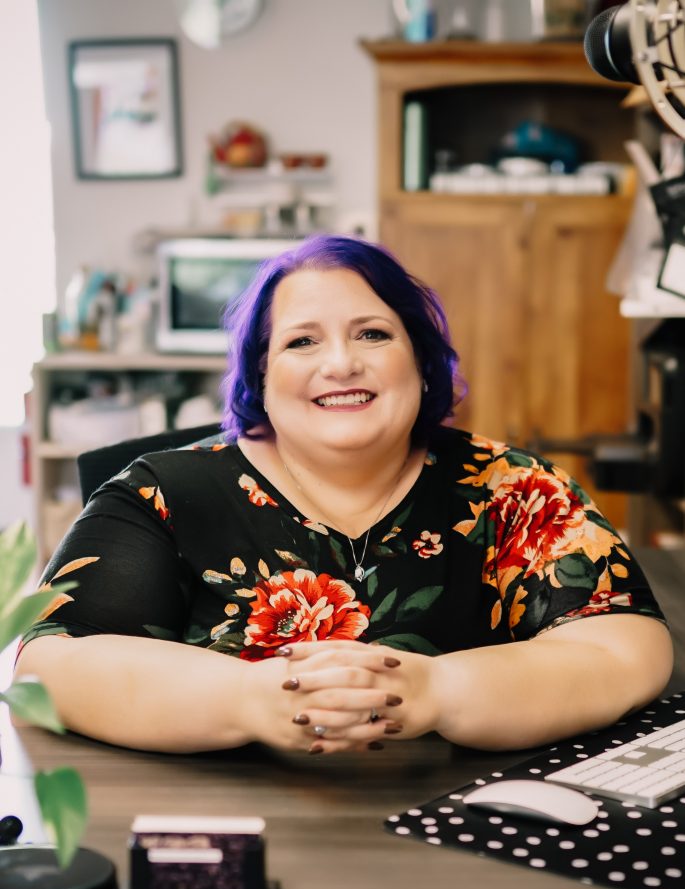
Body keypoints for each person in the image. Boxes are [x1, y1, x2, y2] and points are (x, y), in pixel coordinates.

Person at [15, 235, 673, 756]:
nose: (340, 364)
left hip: (459, 842)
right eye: (302, 341)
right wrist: (252, 698)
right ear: (260, 375)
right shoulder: (159, 494)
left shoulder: (512, 489)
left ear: (419, 359)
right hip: (225, 829)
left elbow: (627, 646)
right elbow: (50, 664)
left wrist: (436, 691)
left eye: (372, 334)